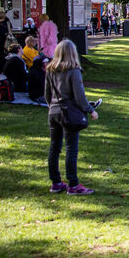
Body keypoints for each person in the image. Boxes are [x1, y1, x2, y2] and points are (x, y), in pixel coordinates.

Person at [43, 39, 100, 194]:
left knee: (54, 147)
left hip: (54, 110)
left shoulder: (50, 70)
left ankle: (55, 182)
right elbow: (79, 96)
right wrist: (91, 110)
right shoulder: (73, 71)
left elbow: (47, 94)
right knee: (71, 148)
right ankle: (73, 184)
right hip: (68, 112)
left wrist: (52, 106)